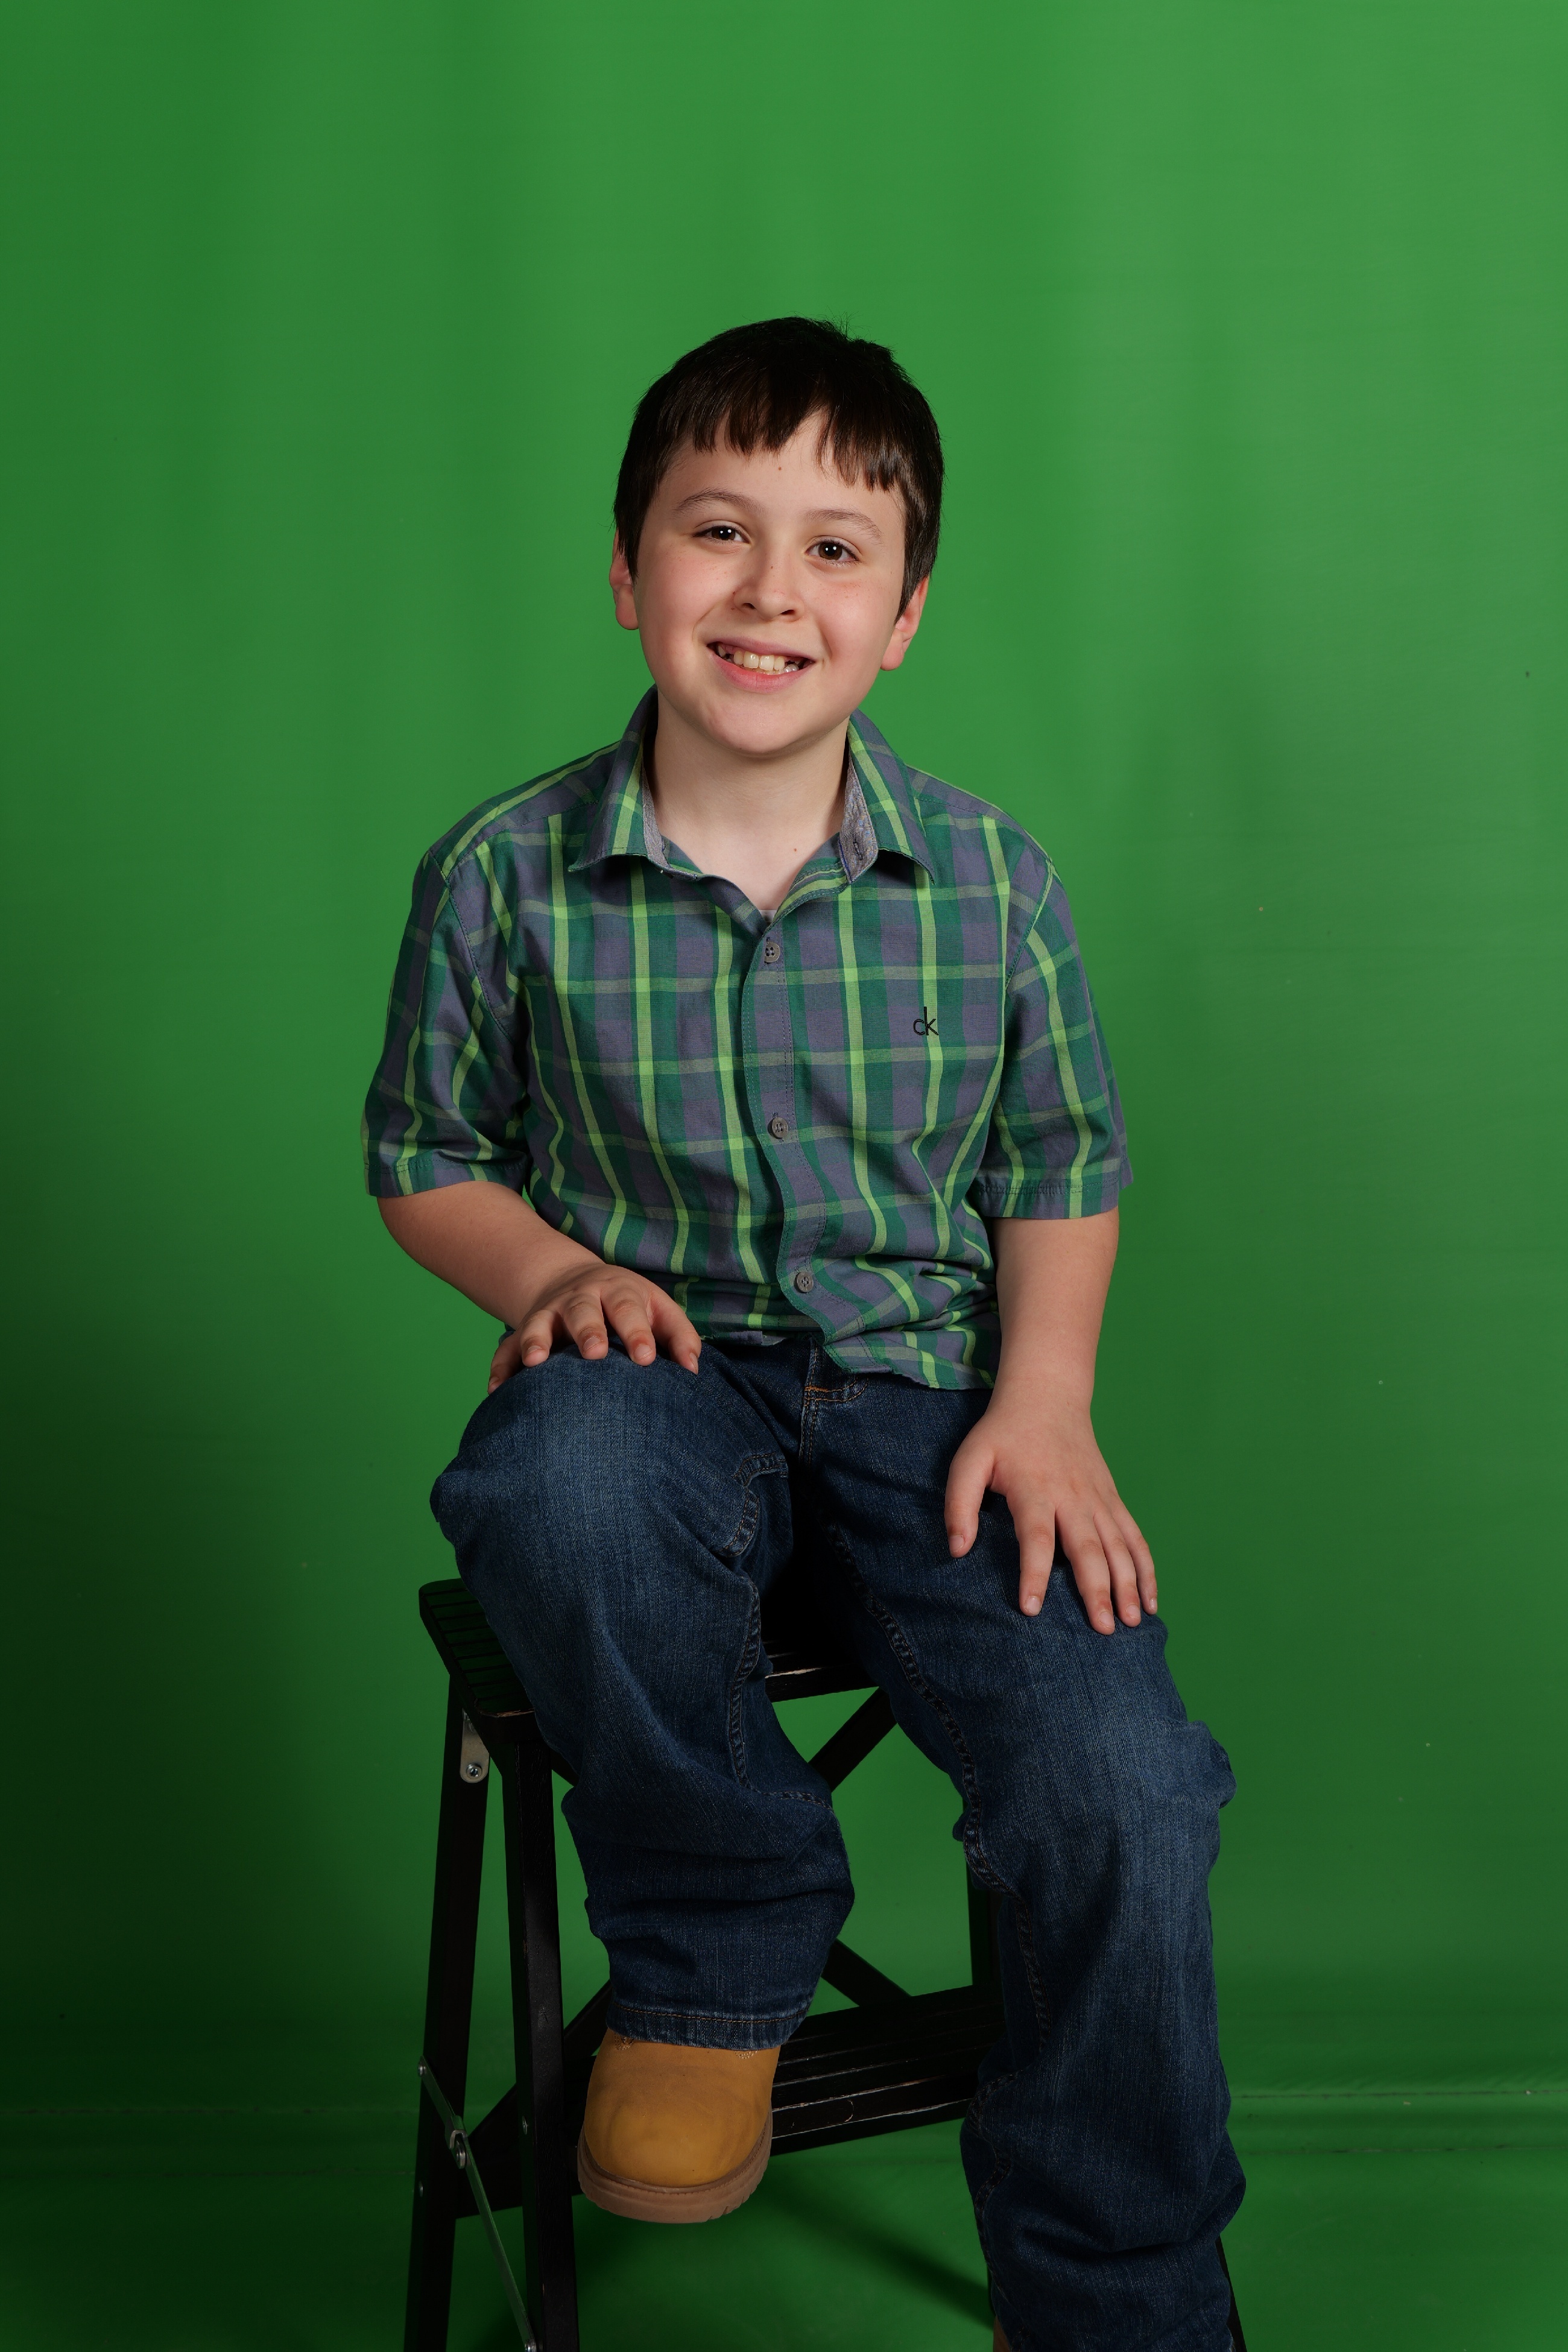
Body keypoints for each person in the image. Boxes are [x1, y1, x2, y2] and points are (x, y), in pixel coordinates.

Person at [364, 316, 1242, 2352]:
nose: (772, 587)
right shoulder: (505, 874)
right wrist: (542, 1276)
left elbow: (1058, 1157)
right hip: (654, 1395)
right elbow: (424, 1154)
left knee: (1123, 1778)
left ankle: (1119, 2290)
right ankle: (713, 1950)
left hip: (928, 1409)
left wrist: (1049, 1399)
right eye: (718, 531)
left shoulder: (991, 880)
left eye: (836, 549)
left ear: (903, 616)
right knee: (552, 1473)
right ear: (628, 574)